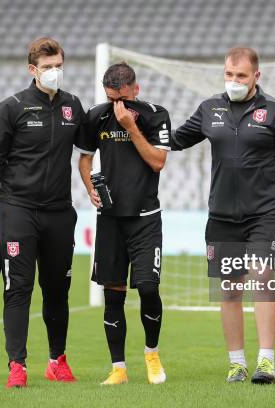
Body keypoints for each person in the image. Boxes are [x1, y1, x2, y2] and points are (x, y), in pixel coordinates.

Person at [171, 47, 275, 385]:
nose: (234, 81)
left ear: (257, 76)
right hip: (222, 217)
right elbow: (173, 141)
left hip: (264, 214)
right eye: (229, 74)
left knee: (262, 278)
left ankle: (266, 362)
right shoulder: (209, 109)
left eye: (241, 76)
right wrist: (134, 127)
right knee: (229, 289)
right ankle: (237, 363)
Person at [0, 37, 85, 388]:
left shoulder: (73, 106)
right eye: (47, 67)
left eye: (59, 65)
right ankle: (17, 365)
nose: (54, 72)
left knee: (58, 290)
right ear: (33, 70)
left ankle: (57, 361)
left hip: (60, 213)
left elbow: (92, 144)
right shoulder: (11, 107)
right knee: (18, 288)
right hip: (17, 210)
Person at [75, 62, 170, 385]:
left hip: (145, 219)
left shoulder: (156, 115)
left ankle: (152, 355)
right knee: (112, 294)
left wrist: (130, 127)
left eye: (124, 99)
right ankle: (119, 368)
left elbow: (158, 162)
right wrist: (89, 186)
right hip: (110, 220)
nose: (119, 107)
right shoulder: (95, 116)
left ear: (136, 89)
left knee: (147, 287)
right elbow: (85, 159)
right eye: (112, 99)